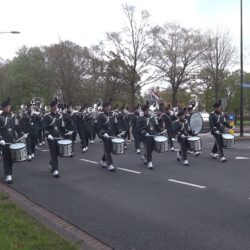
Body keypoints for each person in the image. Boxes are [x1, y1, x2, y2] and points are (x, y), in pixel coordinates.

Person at [0, 98, 26, 183]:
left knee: (11, 158)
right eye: (7, 107)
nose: (8, 108)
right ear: (3, 108)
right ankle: (8, 175)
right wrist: (1, 139)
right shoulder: (0, 117)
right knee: (6, 157)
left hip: (12, 139)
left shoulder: (13, 116)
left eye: (9, 106)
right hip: (4, 140)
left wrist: (22, 133)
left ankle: (9, 172)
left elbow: (17, 127)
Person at [42, 99, 66, 178]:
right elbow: (44, 127)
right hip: (51, 137)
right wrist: (47, 134)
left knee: (58, 152)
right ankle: (55, 170)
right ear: (51, 107)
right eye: (54, 106)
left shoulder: (60, 116)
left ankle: (51, 163)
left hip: (58, 136)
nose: (56, 107)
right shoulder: (47, 116)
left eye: (56, 106)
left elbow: (62, 127)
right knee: (53, 152)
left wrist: (66, 132)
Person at [136, 104, 160, 169]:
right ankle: (149, 162)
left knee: (153, 147)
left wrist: (159, 130)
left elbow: (154, 126)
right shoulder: (140, 118)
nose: (147, 111)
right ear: (143, 111)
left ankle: (145, 156)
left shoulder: (152, 118)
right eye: (146, 110)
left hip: (152, 135)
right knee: (148, 148)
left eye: (148, 110)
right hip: (145, 136)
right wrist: (144, 132)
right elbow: (138, 128)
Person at [96, 102, 115, 171]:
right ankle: (110, 164)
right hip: (104, 135)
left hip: (110, 134)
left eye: (109, 106)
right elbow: (98, 126)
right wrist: (103, 132)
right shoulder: (100, 116)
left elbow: (113, 124)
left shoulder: (111, 114)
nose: (108, 108)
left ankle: (103, 160)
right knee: (107, 148)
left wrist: (119, 131)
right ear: (103, 108)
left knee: (110, 149)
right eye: (107, 107)